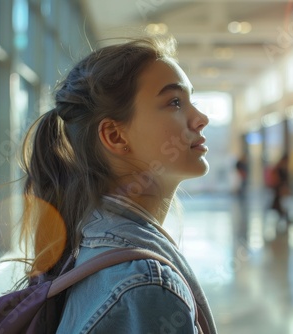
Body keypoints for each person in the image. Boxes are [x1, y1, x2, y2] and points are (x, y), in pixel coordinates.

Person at [18, 36, 217, 333]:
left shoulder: (93, 239)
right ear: (115, 136)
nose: (202, 118)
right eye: (175, 102)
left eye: (191, 100)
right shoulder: (145, 285)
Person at [269, 154, 289, 224]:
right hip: (278, 186)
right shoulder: (279, 168)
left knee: (278, 200)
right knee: (277, 199)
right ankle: (280, 212)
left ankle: (280, 212)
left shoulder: (279, 167)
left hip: (278, 186)